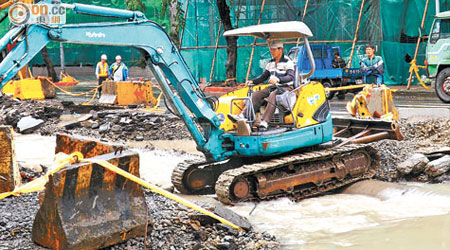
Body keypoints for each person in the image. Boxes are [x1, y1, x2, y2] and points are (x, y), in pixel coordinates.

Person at [228, 40, 295, 129]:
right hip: (273, 87)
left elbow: (291, 77)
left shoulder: (288, 61)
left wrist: (278, 79)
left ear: (280, 49)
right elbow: (263, 77)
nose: (271, 52)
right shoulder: (271, 62)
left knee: (273, 94)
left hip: (286, 87)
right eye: (270, 49)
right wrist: (253, 81)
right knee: (257, 94)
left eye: (274, 50)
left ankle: (265, 121)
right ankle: (243, 116)